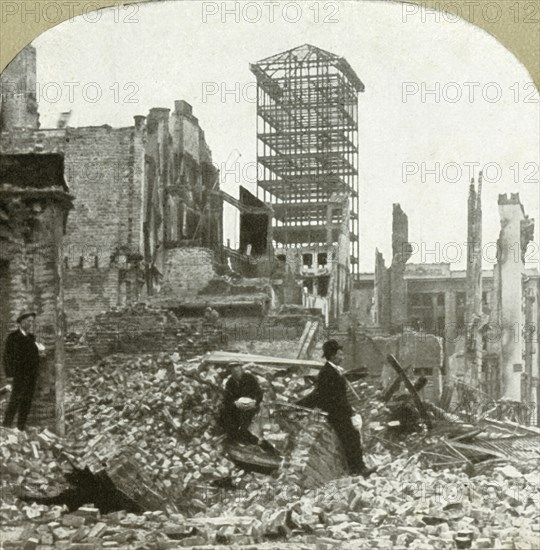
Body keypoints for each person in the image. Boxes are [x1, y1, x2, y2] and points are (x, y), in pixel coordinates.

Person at [299, 339, 376, 477]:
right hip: (337, 413)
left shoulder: (331, 371)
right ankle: (358, 469)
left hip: (339, 411)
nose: (343, 357)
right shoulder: (327, 372)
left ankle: (356, 468)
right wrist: (350, 412)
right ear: (333, 355)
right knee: (352, 437)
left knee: (352, 437)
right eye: (340, 354)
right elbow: (327, 396)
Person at [2, 310, 44, 431]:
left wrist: (40, 353)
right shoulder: (13, 337)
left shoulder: (31, 338)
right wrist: (10, 375)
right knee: (15, 399)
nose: (30, 324)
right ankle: (6, 425)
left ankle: (21, 426)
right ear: (20, 322)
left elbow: (34, 355)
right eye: (28, 321)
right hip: (19, 375)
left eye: (32, 321)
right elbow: (7, 357)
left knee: (27, 400)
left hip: (31, 375)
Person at [219, 362, 263, 444]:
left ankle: (251, 440)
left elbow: (259, 393)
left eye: (237, 367)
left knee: (246, 422)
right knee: (225, 414)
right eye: (232, 368)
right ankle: (233, 437)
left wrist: (255, 402)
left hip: (251, 406)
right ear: (230, 370)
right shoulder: (230, 382)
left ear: (241, 368)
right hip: (238, 407)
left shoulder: (249, 378)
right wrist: (234, 403)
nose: (235, 369)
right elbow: (227, 398)